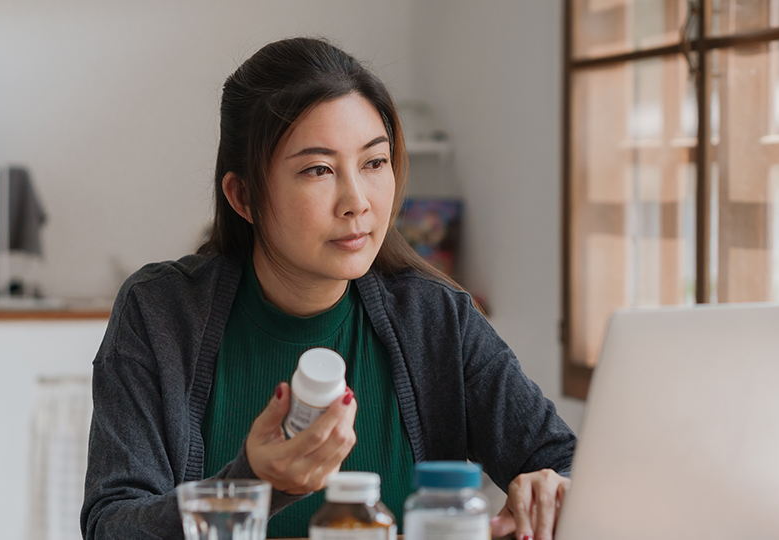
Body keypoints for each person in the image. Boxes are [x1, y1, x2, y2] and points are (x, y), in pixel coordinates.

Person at [81, 37, 576, 540]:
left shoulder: (438, 320)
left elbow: (567, 462)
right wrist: (256, 482)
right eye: (318, 170)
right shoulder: (160, 313)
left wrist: (552, 488)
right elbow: (112, 525)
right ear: (244, 196)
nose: (357, 201)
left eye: (374, 162)